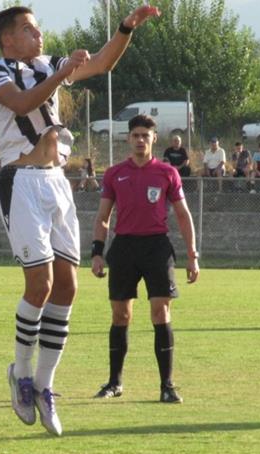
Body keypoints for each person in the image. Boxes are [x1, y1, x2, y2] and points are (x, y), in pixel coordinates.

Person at [0, 4, 159, 436]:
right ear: (7, 39)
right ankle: (21, 374)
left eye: (38, 28)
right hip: (21, 180)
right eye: (28, 29)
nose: (38, 35)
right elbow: (22, 102)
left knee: (67, 286)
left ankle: (44, 386)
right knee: (39, 284)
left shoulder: (47, 64)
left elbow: (102, 63)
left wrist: (126, 27)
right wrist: (62, 74)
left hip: (56, 182)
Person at [91, 115, 199, 404]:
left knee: (160, 312)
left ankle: (167, 386)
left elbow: (183, 215)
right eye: (136, 135)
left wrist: (192, 255)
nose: (140, 140)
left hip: (156, 248)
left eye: (145, 135)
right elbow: (103, 217)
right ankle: (114, 383)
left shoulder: (167, 173)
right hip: (124, 248)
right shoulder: (114, 174)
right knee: (120, 315)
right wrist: (97, 253)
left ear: (154, 139)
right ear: (129, 138)